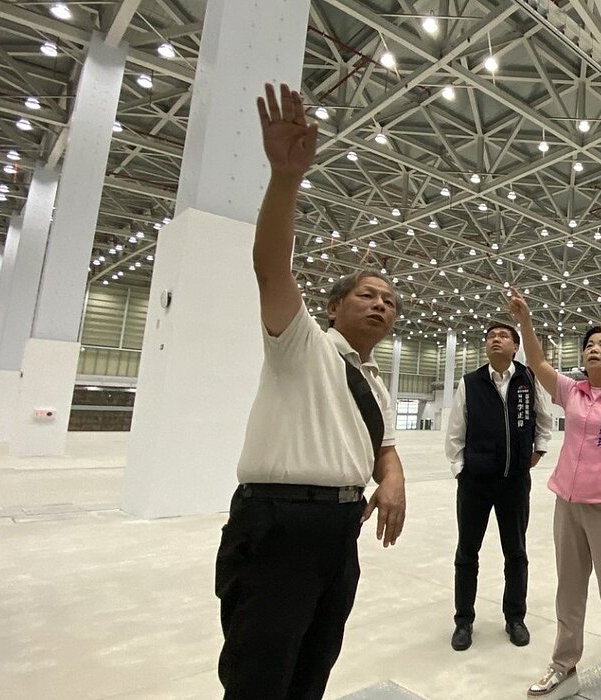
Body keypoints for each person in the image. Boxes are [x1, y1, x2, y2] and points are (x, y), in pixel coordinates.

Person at [215, 83, 407, 699]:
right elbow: (271, 266)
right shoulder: (301, 343)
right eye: (367, 294)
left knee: (314, 666)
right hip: (277, 526)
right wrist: (285, 180)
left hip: (340, 529)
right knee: (259, 676)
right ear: (332, 306)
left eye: (390, 300)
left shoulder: (375, 380)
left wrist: (394, 475)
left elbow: (384, 445)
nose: (381, 304)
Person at [507, 289, 601, 700]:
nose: (593, 348)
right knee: (569, 591)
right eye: (588, 344)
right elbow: (536, 362)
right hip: (567, 505)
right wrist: (526, 322)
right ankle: (563, 665)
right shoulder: (573, 392)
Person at [444, 322, 552, 651]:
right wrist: (461, 468)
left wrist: (537, 451)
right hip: (476, 482)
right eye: (490, 336)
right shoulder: (470, 382)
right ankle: (464, 621)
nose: (495, 340)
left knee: (516, 552)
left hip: (515, 482)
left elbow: (544, 421)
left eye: (503, 336)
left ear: (516, 346)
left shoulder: (530, 379)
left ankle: (515, 617)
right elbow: (455, 431)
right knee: (467, 553)